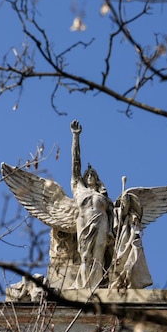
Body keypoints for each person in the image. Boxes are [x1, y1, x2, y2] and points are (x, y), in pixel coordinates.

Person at [69, 121, 114, 289]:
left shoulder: (103, 197)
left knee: (99, 255)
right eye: (87, 174)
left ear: (97, 178)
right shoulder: (79, 189)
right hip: (85, 222)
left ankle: (95, 287)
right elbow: (75, 165)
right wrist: (76, 136)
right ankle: (83, 286)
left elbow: (115, 214)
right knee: (86, 255)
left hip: (101, 221)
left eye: (92, 174)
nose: (89, 176)